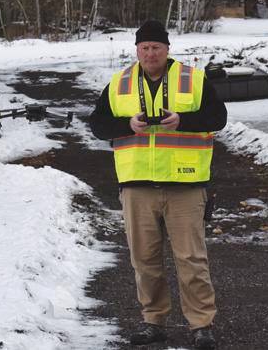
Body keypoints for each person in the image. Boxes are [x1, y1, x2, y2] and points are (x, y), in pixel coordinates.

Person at [89, 19, 227, 349]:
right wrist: (126, 124)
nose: (150, 53)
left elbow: (218, 118)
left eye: (156, 47)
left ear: (167, 49)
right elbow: (96, 125)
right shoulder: (119, 82)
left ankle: (201, 325)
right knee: (144, 260)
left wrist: (184, 121)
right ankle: (153, 322)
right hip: (137, 187)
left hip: (185, 184)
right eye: (145, 47)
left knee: (191, 260)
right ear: (137, 50)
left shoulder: (193, 79)